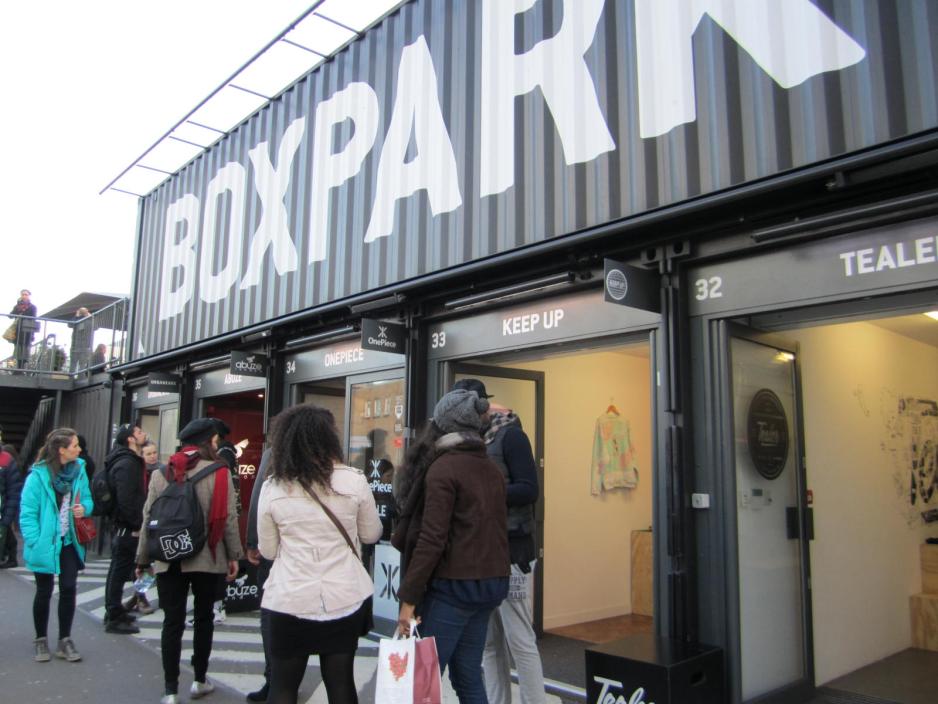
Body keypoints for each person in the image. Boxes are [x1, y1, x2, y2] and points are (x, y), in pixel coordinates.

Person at [257, 405, 382, 704]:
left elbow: (269, 550)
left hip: (289, 598)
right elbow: (371, 534)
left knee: (283, 686)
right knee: (340, 682)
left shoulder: (273, 487)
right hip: (344, 597)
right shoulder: (354, 480)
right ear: (329, 438)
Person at [392, 389, 509, 704]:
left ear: (443, 424)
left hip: (454, 588)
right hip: (490, 585)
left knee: (423, 678)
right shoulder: (491, 469)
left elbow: (432, 539)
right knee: (468, 674)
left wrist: (408, 600)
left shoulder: (443, 468)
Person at [452, 380, 547, 704]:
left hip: (513, 552)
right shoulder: (465, 443)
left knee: (520, 639)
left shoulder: (511, 435)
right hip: (480, 554)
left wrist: (482, 493)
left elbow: (530, 488)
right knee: (489, 643)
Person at [136, 418, 242, 704]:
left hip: (169, 557)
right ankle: (199, 679)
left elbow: (149, 518)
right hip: (208, 555)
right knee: (204, 618)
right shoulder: (220, 471)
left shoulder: (162, 473)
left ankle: (170, 690)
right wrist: (235, 555)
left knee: (172, 621)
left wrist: (143, 557)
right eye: (216, 440)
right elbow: (228, 519)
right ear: (209, 441)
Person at [19, 428, 94, 663]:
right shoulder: (37, 476)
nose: (79, 449)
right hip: (45, 542)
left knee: (69, 588)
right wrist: (35, 540)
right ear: (62, 450)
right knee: (44, 591)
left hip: (69, 540)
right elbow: (27, 513)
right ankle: (41, 639)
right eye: (74, 446)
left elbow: (88, 498)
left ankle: (65, 640)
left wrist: (86, 509)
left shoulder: (79, 470)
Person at [103, 423, 148, 635]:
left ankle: (115, 611)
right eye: (139, 432)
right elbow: (127, 498)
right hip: (126, 528)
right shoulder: (128, 464)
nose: (143, 434)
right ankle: (113, 614)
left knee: (118, 570)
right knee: (120, 570)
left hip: (122, 526)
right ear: (130, 439)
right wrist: (136, 524)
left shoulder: (122, 460)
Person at [245, 446, 274, 703]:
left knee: (271, 616)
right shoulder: (329, 458)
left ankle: (274, 679)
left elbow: (259, 498)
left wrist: (253, 542)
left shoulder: (275, 453)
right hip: (317, 559)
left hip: (275, 553)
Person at [123, 440, 163, 616]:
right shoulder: (138, 474)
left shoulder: (163, 471)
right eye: (148, 453)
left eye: (154, 452)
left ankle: (138, 596)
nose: (153, 456)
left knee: (151, 564)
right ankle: (140, 596)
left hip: (159, 522)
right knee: (143, 563)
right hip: (141, 522)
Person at [0, 443, 24, 568]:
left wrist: (7, 517)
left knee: (5, 531)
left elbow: (13, 491)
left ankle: (11, 556)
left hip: (2, 510)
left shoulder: (6, 460)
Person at [11, 289, 37, 369]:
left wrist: (33, 334)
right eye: (23, 294)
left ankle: (22, 368)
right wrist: (17, 309)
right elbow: (11, 315)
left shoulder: (33, 307)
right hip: (18, 330)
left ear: (29, 296)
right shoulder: (17, 306)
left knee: (25, 349)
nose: (24, 296)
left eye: (26, 294)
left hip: (27, 331)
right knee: (18, 348)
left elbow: (33, 319)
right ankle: (18, 367)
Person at [69, 307, 93, 372]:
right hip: (84, 347)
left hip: (75, 346)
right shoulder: (89, 321)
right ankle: (80, 379)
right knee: (82, 366)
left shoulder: (76, 320)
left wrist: (76, 315)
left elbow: (69, 324)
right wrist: (90, 316)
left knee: (73, 365)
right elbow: (96, 326)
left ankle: (70, 379)